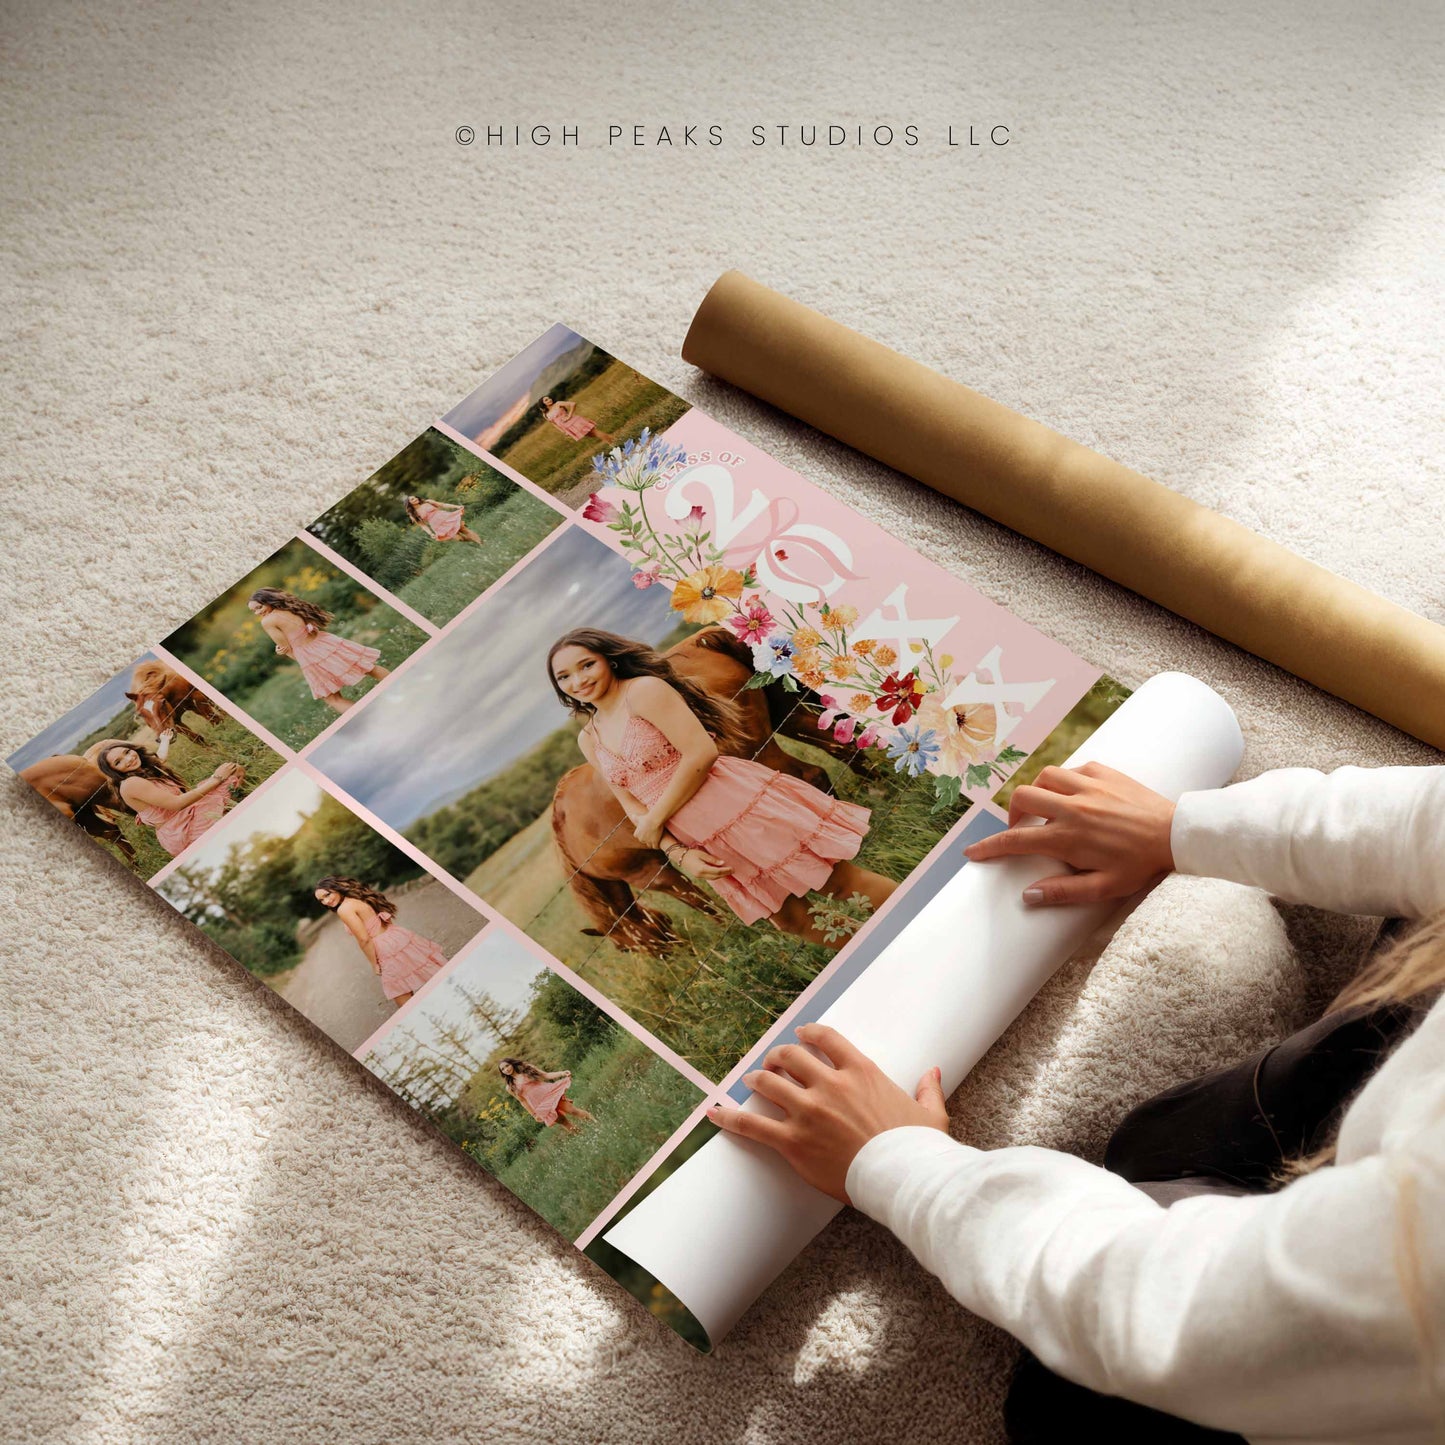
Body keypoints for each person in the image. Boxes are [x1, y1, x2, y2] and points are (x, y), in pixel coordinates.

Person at [707, 761, 1445, 1443]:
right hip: (1391, 1168)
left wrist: (902, 1167)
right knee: (1160, 1139)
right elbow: (1426, 817)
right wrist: (1177, 827)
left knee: (1062, 1403)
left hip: (1371, 1353)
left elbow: (1184, 1319)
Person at [547, 628, 896, 946]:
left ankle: (908, 920)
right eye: (564, 676)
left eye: (586, 665)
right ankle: (879, 950)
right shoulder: (589, 738)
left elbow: (700, 752)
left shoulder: (643, 692)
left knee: (836, 882)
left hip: (732, 804)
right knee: (790, 918)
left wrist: (656, 820)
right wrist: (678, 853)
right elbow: (631, 804)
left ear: (609, 659)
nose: (578, 680)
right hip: (697, 837)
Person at [247, 588, 390, 714]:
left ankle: (370, 717)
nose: (257, 613)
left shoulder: (268, 621)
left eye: (259, 607)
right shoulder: (290, 607)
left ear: (268, 601)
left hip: (309, 655)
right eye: (253, 610)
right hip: (326, 642)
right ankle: (396, 683)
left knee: (333, 699)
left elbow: (288, 649)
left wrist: (283, 652)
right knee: (368, 667)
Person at [313, 876, 448, 1008]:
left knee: (403, 997)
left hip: (384, 948)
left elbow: (364, 939)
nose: (326, 901)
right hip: (395, 935)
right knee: (428, 976)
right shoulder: (357, 897)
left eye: (327, 895)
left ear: (336, 888)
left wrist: (374, 963)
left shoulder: (344, 909)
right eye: (321, 900)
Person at [95, 741, 242, 856]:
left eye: (127, 751)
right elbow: (177, 804)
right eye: (118, 762)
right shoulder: (130, 784)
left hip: (188, 812)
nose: (129, 759)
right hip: (182, 829)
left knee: (234, 770)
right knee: (232, 773)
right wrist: (217, 778)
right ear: (114, 771)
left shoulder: (142, 769)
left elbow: (161, 757)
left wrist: (165, 739)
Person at [499, 1057, 595, 1132]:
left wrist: (562, 1073)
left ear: (511, 1063)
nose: (506, 1069)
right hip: (540, 1106)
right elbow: (523, 1101)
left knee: (573, 1111)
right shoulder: (510, 1087)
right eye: (503, 1069)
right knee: (563, 1122)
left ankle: (595, 1123)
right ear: (502, 1072)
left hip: (550, 1094)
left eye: (507, 1066)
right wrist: (534, 1114)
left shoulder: (526, 1069)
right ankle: (583, 1135)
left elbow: (546, 1075)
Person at [404, 495, 482, 546]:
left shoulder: (427, 502)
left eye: (415, 497)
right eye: (412, 499)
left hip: (446, 518)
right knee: (459, 539)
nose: (416, 499)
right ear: (409, 503)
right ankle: (474, 540)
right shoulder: (413, 515)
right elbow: (423, 526)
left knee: (464, 530)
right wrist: (431, 533)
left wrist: (456, 507)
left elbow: (443, 505)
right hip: (438, 526)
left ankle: (481, 543)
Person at [539, 395, 613, 445]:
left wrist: (569, 416)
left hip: (575, 422)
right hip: (568, 427)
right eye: (546, 400)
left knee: (594, 432)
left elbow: (573, 404)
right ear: (543, 404)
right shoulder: (545, 414)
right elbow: (554, 424)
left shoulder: (558, 404)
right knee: (590, 434)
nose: (549, 400)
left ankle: (611, 443)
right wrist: (564, 431)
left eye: (549, 398)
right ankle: (611, 438)